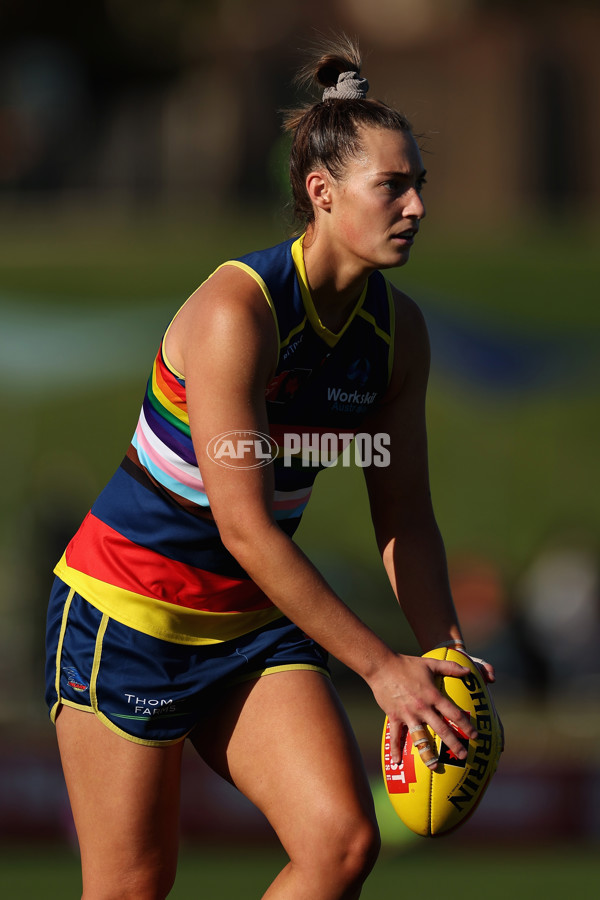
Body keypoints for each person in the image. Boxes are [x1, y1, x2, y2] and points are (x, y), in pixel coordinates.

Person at [46, 34, 494, 900]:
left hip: (248, 625)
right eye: (392, 187)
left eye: (419, 186)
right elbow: (245, 527)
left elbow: (403, 514)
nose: (417, 208)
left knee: (341, 844)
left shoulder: (399, 338)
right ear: (322, 194)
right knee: (133, 886)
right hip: (129, 616)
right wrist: (380, 668)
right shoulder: (236, 312)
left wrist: (443, 658)